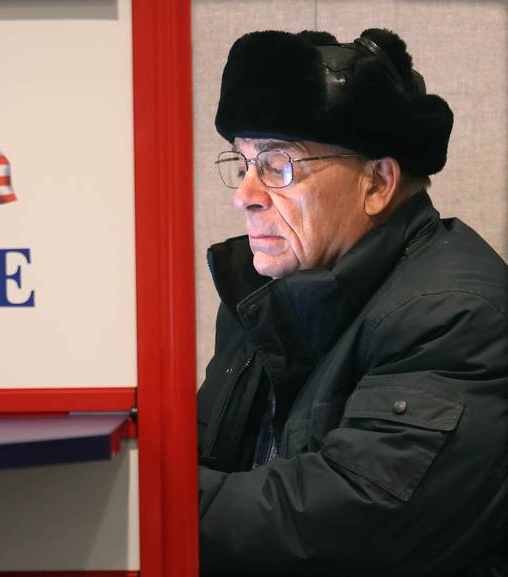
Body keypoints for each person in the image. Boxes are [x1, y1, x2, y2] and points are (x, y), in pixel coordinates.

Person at [197, 28, 507, 576]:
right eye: (242, 163)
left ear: (379, 182)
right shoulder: (264, 290)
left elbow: (350, 521)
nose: (245, 194)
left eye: (278, 164)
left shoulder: (458, 315)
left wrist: (155, 504)